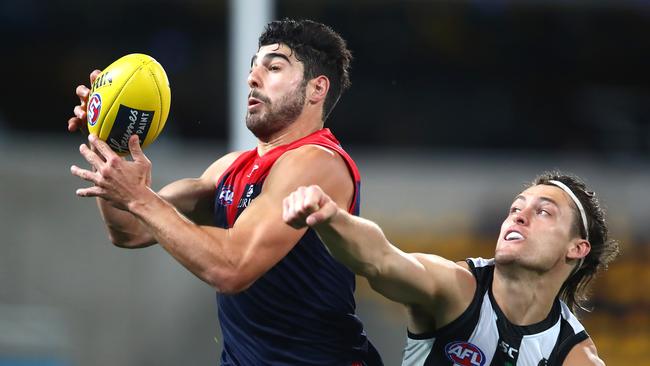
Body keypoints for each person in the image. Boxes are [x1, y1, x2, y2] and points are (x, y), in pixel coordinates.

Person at [67, 18, 383, 366]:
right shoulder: (230, 168)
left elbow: (233, 268)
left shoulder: (318, 162)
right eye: (253, 68)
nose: (252, 78)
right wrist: (110, 140)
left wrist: (140, 197)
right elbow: (130, 230)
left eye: (274, 67)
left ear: (316, 89)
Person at [283, 172, 620, 365]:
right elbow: (381, 260)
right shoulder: (458, 289)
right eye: (516, 207)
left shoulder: (573, 356)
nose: (518, 215)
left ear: (577, 248)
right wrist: (331, 218)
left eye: (543, 212)